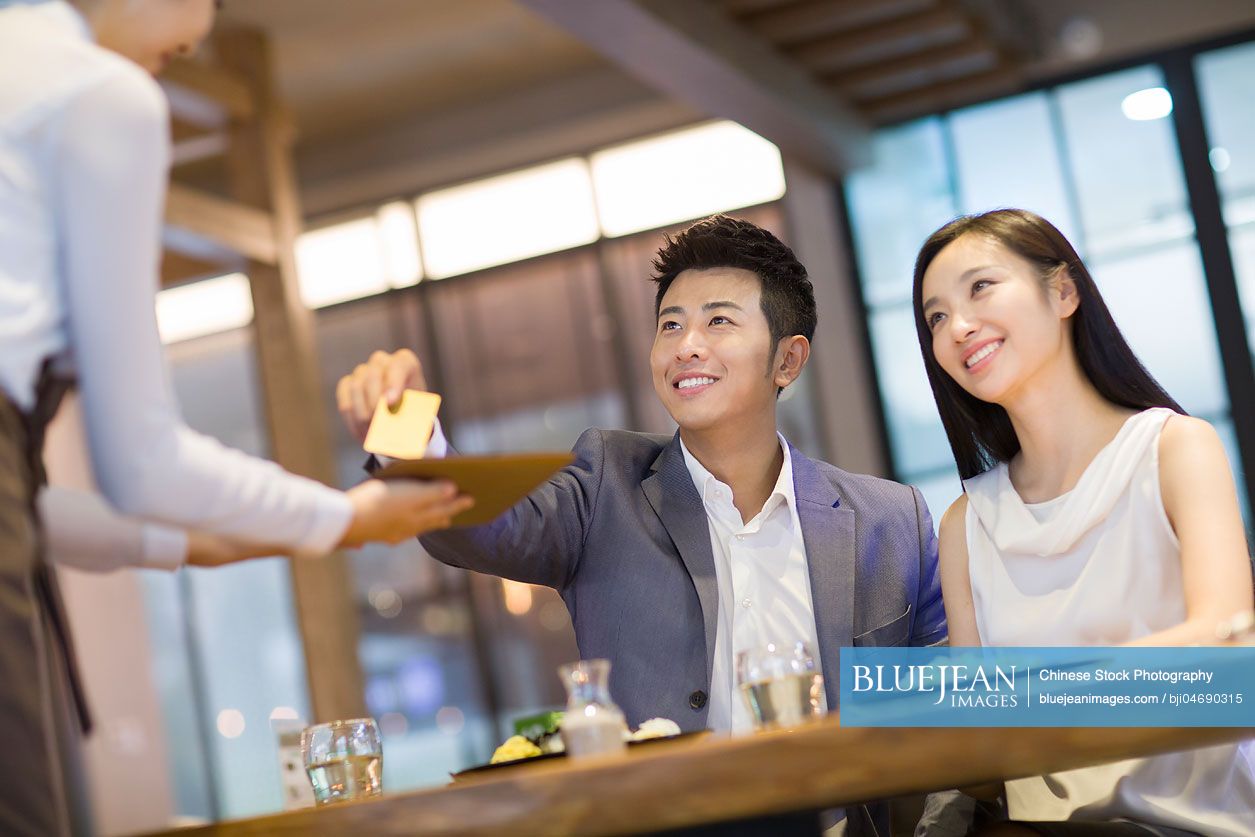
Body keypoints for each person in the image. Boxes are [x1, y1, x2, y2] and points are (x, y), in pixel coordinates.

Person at [0, 2, 471, 834]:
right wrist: (342, 517)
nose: (201, 31)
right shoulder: (96, 92)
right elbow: (142, 462)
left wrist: (226, 536)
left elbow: (38, 510)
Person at [339, 214, 954, 837]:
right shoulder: (606, 484)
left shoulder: (887, 520)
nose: (687, 345)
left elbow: (951, 710)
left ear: (787, 360)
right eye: (670, 325)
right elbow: (484, 529)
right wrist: (406, 435)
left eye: (719, 321)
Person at [913, 208, 1255, 836]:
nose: (958, 327)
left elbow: (1228, 650)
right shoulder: (967, 523)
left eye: (981, 287)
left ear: (1064, 292)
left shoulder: (1174, 449)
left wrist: (1027, 694)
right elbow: (980, 759)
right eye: (936, 317)